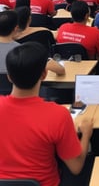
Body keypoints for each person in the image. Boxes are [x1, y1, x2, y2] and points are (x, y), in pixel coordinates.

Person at [0, 42, 93, 185]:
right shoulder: (58, 115)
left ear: (9, 77)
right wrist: (86, 133)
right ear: (44, 74)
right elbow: (76, 167)